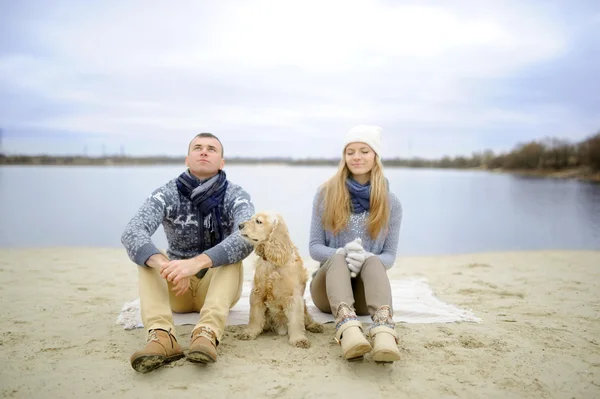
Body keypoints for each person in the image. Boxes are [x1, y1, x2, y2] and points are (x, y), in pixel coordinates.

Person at [121, 133, 255, 373]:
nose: (204, 151)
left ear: (222, 162)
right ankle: (162, 337)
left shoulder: (236, 195)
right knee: (147, 257)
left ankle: (207, 333)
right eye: (198, 147)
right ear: (187, 159)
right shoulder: (167, 193)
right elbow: (133, 231)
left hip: (217, 285)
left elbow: (247, 237)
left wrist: (196, 263)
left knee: (231, 258)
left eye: (212, 149)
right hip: (177, 286)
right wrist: (166, 265)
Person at [309, 125, 402, 362]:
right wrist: (341, 252)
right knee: (338, 257)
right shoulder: (325, 194)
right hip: (327, 292)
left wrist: (367, 258)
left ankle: (384, 335)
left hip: (365, 295)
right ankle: (348, 332)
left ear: (375, 156)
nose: (357, 157)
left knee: (373, 262)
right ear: (344, 157)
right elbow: (314, 247)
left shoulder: (391, 203)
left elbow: (389, 257)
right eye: (350, 152)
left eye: (364, 151)